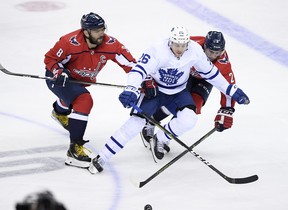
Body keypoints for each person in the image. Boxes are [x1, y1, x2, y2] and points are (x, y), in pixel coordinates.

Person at [88, 26, 249, 174]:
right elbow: (139, 70)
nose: (180, 49)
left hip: (179, 92)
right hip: (157, 91)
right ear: (170, 42)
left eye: (183, 45)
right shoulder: (157, 50)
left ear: (188, 43)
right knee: (134, 124)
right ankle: (102, 157)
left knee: (189, 119)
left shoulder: (194, 50)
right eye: (176, 45)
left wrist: (233, 92)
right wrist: (133, 87)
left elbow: (213, 75)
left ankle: (161, 138)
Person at [44, 12, 136, 169]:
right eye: (97, 30)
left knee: (73, 98)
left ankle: (59, 111)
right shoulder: (68, 42)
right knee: (84, 100)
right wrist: (59, 71)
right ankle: (74, 150)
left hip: (80, 81)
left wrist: (145, 81)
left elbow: (132, 65)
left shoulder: (111, 44)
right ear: (85, 32)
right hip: (59, 79)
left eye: (102, 29)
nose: (101, 33)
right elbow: (50, 58)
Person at [141, 31, 238, 148]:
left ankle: (164, 136)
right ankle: (152, 120)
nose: (213, 56)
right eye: (211, 52)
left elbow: (228, 86)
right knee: (175, 100)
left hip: (204, 80)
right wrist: (148, 77)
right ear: (204, 47)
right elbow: (162, 50)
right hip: (184, 74)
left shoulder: (223, 63)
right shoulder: (191, 44)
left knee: (193, 109)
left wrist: (227, 109)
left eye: (217, 53)